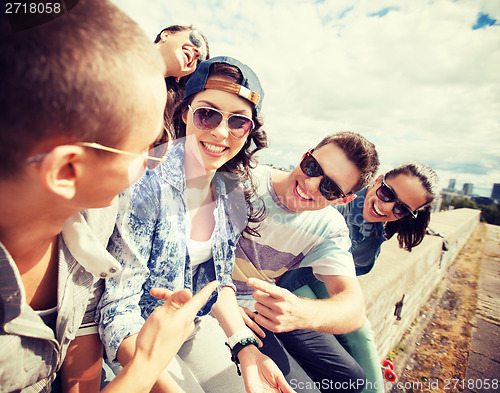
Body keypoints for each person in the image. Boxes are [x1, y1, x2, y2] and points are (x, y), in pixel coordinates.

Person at [0, 1, 218, 392]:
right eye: (148, 147)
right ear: (68, 171)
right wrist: (146, 364)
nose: (156, 163)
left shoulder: (98, 214)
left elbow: (81, 325)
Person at [97, 56, 294, 393]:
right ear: (186, 112)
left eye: (238, 122)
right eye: (208, 114)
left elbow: (217, 281)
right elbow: (118, 309)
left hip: (195, 325)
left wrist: (245, 349)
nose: (220, 132)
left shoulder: (232, 192)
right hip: (140, 335)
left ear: (249, 132)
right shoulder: (147, 184)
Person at [232, 132, 380, 393]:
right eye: (312, 167)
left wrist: (301, 313)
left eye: (330, 188)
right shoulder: (242, 179)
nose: (311, 184)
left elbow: (354, 309)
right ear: (305, 155)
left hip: (262, 309)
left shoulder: (329, 227)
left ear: (343, 200)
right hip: (223, 305)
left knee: (351, 381)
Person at [278, 162, 439, 393]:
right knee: (347, 367)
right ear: (378, 180)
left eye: (401, 209)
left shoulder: (377, 230)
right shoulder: (339, 199)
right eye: (387, 193)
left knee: (361, 334)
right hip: (291, 277)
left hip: (320, 276)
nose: (386, 207)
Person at [154, 25, 209, 128]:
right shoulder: (117, 43)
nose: (198, 53)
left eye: (200, 60)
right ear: (165, 35)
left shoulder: (158, 118)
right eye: (195, 40)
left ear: (179, 76)